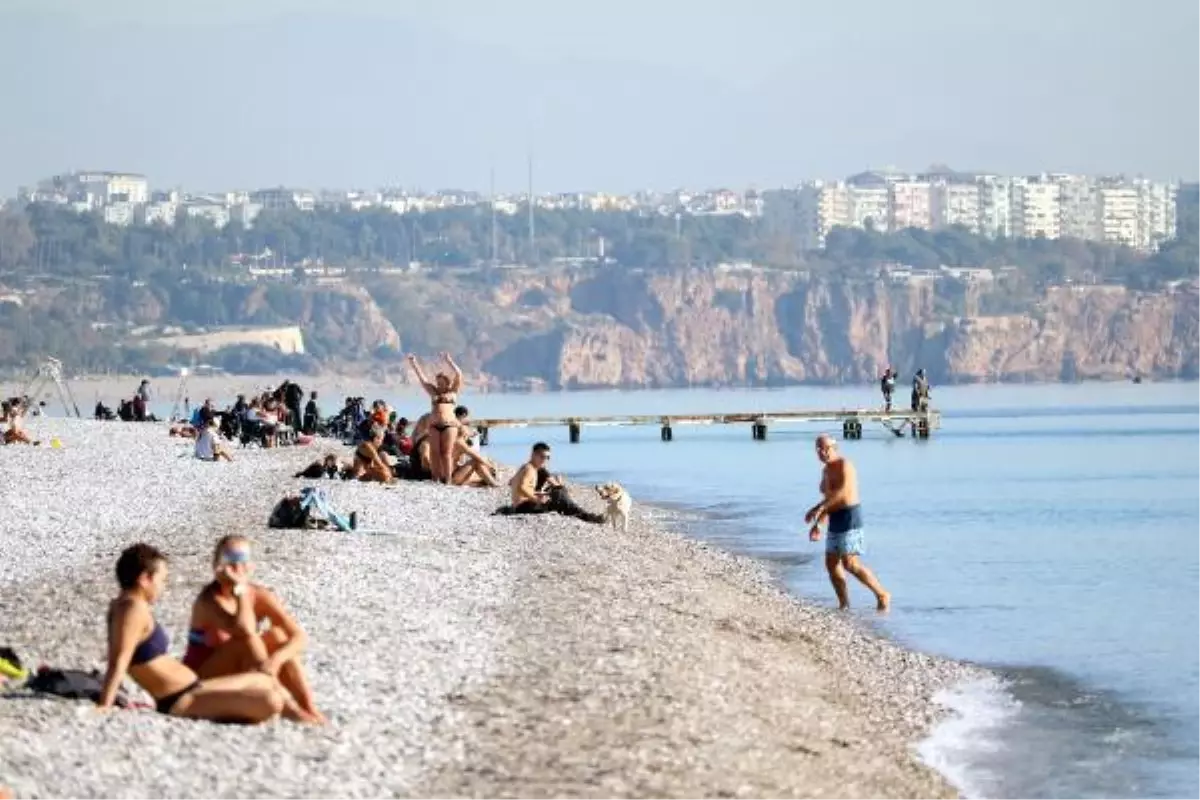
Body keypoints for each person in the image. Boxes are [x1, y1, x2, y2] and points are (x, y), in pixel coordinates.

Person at [98, 543, 316, 723]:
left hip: (194, 686)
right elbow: (119, 660)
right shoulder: (131, 609)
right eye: (162, 580)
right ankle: (301, 716)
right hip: (180, 699)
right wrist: (104, 705)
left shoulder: (128, 605)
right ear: (145, 578)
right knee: (271, 700)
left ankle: (306, 713)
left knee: (267, 682)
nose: (163, 587)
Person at [182, 536, 325, 724]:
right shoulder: (209, 600)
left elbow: (298, 636)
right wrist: (239, 590)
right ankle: (291, 709)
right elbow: (244, 631)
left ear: (251, 565)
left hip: (241, 669)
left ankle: (308, 707)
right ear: (217, 566)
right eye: (231, 561)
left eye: (242, 561)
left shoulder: (259, 594)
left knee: (278, 636)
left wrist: (275, 660)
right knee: (248, 641)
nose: (237, 568)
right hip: (203, 678)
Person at [804, 435, 890, 612]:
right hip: (834, 516)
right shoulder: (826, 471)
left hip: (850, 516)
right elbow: (828, 499)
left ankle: (882, 594)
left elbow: (842, 494)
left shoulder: (845, 465)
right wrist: (819, 524)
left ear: (835, 448)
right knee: (831, 563)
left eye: (826, 448)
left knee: (850, 563)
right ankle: (844, 604)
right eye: (819, 449)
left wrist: (819, 509)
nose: (823, 452)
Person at [496, 443, 604, 523]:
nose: (545, 460)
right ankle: (587, 517)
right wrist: (536, 499)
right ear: (533, 455)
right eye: (542, 456)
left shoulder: (528, 467)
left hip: (521, 505)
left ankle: (581, 514)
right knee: (559, 493)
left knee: (556, 493)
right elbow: (521, 487)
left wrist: (538, 493)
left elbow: (513, 483)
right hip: (524, 507)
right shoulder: (529, 469)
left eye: (547, 457)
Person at [407, 352, 464, 484]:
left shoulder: (453, 392)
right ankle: (435, 478)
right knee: (434, 453)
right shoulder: (433, 391)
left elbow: (459, 374)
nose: (438, 384)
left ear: (447, 382)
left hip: (449, 425)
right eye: (437, 382)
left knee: (446, 453)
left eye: (441, 382)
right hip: (434, 425)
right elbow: (422, 379)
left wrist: (449, 361)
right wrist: (414, 363)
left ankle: (448, 479)